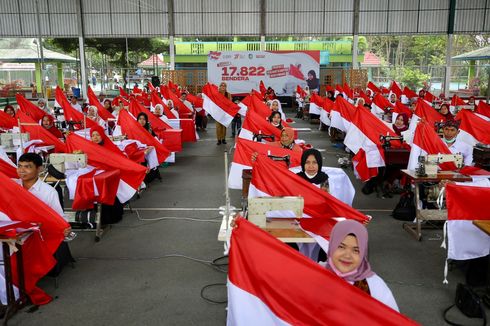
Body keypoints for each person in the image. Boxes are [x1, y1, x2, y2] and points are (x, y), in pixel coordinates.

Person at [16, 153, 74, 274]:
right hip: (15, 230)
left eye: (27, 166)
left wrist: (64, 227)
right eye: (19, 166)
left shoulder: (49, 192)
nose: (22, 170)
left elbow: (58, 218)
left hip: (37, 233)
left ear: (39, 169)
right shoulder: (12, 186)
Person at [325, 220, 399, 312]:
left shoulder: (374, 286)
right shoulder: (316, 275)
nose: (347, 255)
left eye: (356, 250)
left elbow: (393, 319)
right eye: (341, 247)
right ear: (331, 246)